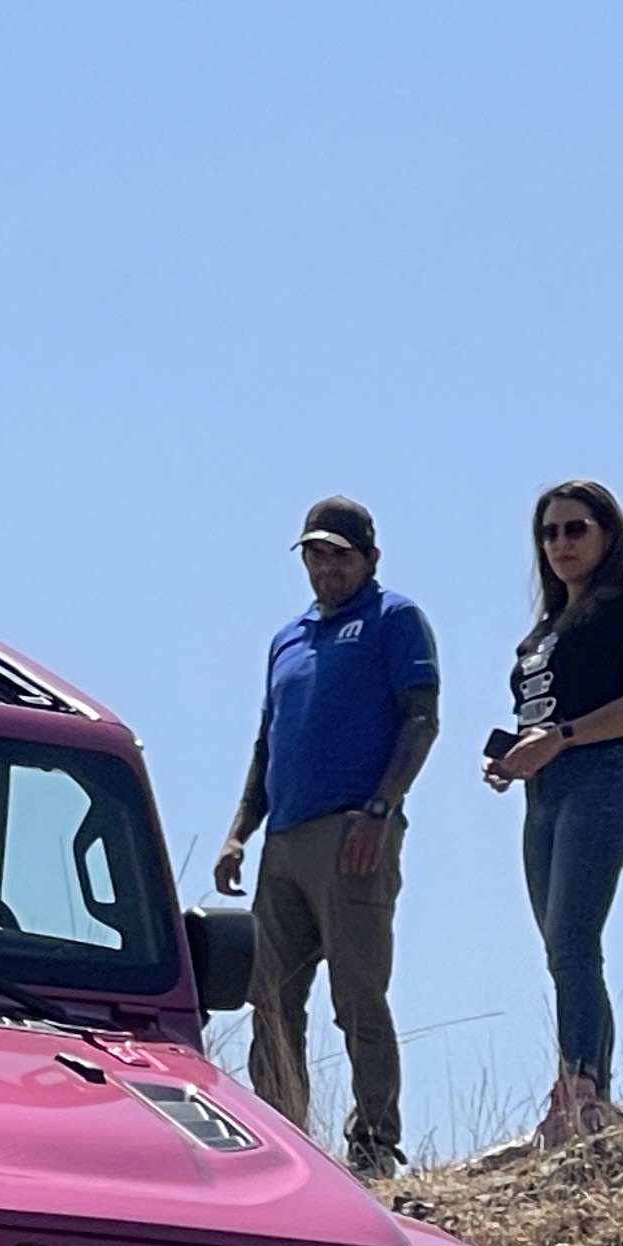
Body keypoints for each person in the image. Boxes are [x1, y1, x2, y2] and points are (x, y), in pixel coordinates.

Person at [212, 497, 438, 1177]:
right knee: (271, 999)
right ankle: (281, 1144)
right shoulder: (289, 638)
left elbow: (421, 718)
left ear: (369, 557)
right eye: (315, 554)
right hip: (283, 836)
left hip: (352, 833)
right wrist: (238, 833)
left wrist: (380, 809)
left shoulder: (393, 618)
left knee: (357, 994)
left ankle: (373, 1144)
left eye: (340, 555)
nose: (326, 567)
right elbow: (268, 741)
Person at [480, 478, 623, 1146]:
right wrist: (515, 758)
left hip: (606, 779)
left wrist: (561, 738)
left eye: (575, 529)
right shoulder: (540, 636)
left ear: (607, 534)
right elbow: (537, 721)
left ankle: (583, 1091)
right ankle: (582, 1088)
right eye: (550, 532)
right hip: (544, 795)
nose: (561, 543)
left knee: (572, 938)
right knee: (562, 950)